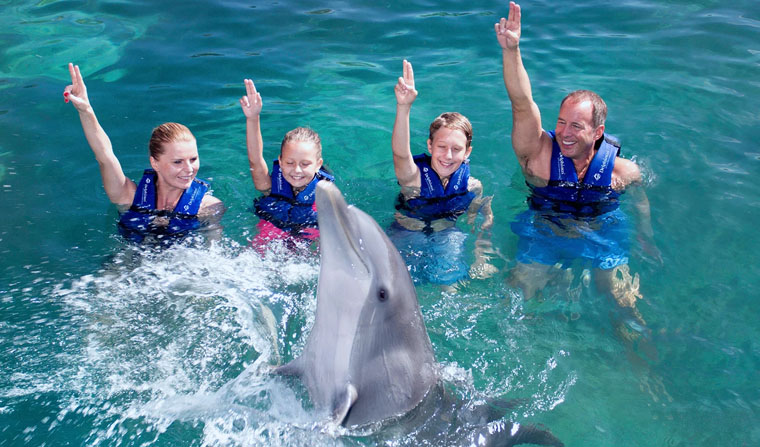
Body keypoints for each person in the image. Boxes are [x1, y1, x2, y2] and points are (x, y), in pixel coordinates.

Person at [495, 2, 659, 324]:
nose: (564, 134)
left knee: (619, 301)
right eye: (561, 123)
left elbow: (640, 199)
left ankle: (639, 355)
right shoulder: (538, 155)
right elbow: (521, 103)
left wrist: (646, 236)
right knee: (518, 292)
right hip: (545, 228)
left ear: (598, 132)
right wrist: (512, 51)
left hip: (602, 231)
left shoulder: (622, 171)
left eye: (576, 126)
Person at [63, 63, 224, 243]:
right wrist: (86, 111)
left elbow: (213, 253)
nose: (189, 169)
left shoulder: (208, 207)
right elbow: (105, 157)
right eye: (177, 162)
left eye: (193, 159)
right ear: (155, 163)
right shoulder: (128, 196)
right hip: (130, 265)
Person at [390, 59, 498, 285]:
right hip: (408, 232)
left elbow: (483, 221)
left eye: (456, 149)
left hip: (445, 233)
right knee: (398, 282)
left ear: (467, 152)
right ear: (430, 146)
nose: (448, 156)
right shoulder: (414, 177)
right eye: (441, 147)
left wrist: (481, 257)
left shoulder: (473, 186)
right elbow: (400, 154)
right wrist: (404, 107)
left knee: (450, 277)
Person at [239, 79, 334, 247]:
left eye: (305, 164)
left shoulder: (325, 198)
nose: (297, 170)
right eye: (290, 162)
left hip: (306, 252)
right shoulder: (269, 188)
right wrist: (253, 118)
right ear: (280, 162)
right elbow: (255, 159)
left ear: (318, 164)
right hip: (266, 250)